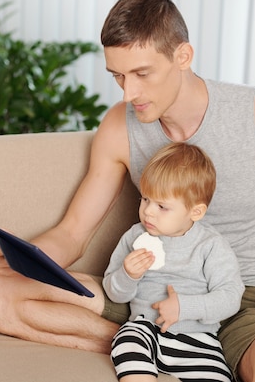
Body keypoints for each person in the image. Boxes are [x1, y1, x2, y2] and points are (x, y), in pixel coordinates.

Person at [0, 0, 255, 382]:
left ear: (183, 56)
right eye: (118, 76)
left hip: (253, 299)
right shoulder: (119, 126)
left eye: (142, 74)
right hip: (147, 290)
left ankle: (161, 350)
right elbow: (73, 232)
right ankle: (156, 348)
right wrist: (23, 258)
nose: (128, 93)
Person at [103, 142, 244, 382]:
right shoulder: (135, 236)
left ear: (195, 212)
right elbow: (114, 293)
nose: (148, 212)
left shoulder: (210, 245)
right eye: (145, 199)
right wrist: (128, 275)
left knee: (218, 376)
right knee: (127, 342)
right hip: (145, 328)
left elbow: (231, 297)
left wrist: (184, 307)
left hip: (197, 339)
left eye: (162, 206)